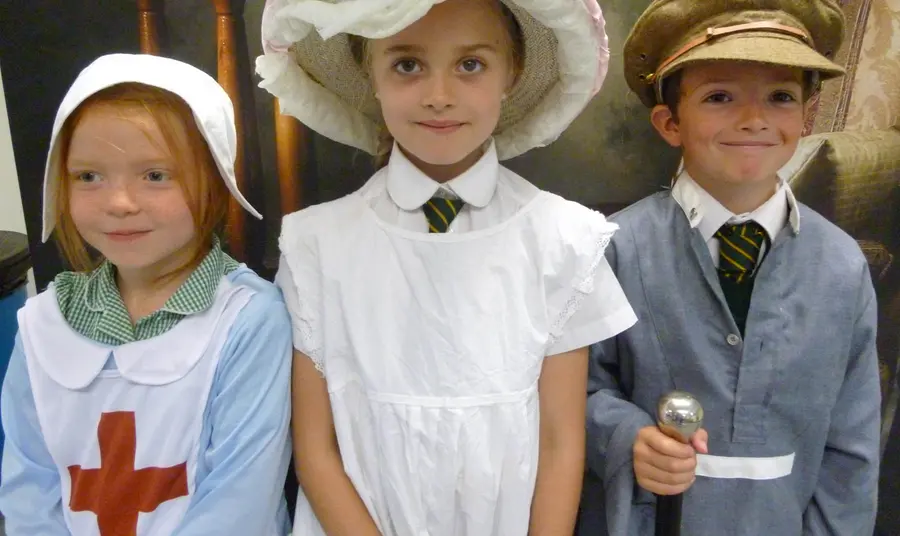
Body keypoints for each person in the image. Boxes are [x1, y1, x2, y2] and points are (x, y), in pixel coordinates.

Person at [256, 0, 637, 533]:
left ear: (512, 74)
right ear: (373, 74)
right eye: (407, 64)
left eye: (471, 65)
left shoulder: (560, 239)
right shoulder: (318, 244)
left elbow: (560, 442)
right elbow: (316, 448)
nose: (439, 96)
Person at [580, 1, 881, 534]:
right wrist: (627, 436)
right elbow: (577, 391)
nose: (755, 119)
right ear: (669, 122)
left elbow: (850, 447)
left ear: (806, 116)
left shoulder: (841, 266)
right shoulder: (615, 249)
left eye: (781, 97)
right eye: (719, 97)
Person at [0, 54, 293, 535]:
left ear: (214, 182)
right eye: (89, 176)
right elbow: (28, 489)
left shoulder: (247, 319)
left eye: (155, 175)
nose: (119, 203)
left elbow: (240, 504)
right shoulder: (42, 324)